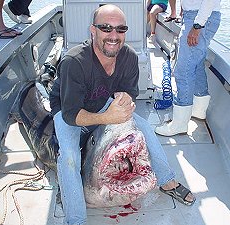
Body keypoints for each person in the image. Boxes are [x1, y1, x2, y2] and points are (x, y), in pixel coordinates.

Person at [49, 4, 195, 225]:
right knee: (69, 158)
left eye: (120, 29)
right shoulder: (74, 62)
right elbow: (70, 115)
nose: (113, 35)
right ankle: (75, 219)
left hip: (103, 102)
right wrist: (108, 118)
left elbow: (130, 93)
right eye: (106, 28)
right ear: (93, 30)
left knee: (145, 128)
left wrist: (125, 101)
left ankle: (166, 180)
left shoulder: (128, 57)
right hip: (70, 109)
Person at [155, 0, 221, 136]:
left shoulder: (199, 22)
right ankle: (198, 110)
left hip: (200, 19)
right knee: (196, 66)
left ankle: (179, 124)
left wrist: (197, 26)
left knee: (183, 71)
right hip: (197, 17)